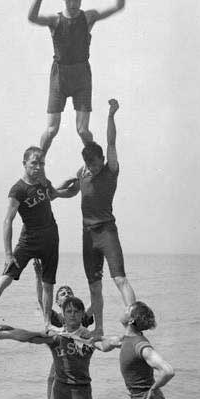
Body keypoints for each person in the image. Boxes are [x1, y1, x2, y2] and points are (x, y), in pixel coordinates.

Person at [28, 0, 126, 153]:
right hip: (60, 77)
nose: (73, 5)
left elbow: (118, 6)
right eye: (69, 0)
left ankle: (96, 164)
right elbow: (32, 18)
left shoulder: (87, 18)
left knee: (82, 130)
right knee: (51, 129)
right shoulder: (55, 21)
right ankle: (40, 163)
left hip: (81, 76)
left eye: (76, 0)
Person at [61, 98, 136, 336]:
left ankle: (133, 325)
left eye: (94, 163)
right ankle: (99, 328)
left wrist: (111, 115)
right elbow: (72, 190)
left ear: (102, 160)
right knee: (94, 286)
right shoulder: (82, 172)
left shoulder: (110, 169)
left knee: (120, 279)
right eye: (88, 164)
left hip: (106, 231)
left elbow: (111, 142)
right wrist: (54, 192)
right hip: (87, 234)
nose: (91, 167)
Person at [0, 147, 77, 327]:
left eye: (41, 164)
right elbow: (8, 220)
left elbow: (54, 193)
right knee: (6, 278)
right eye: (34, 163)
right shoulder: (18, 190)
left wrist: (73, 182)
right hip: (29, 240)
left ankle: (47, 324)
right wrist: (8, 254)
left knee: (48, 284)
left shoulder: (43, 181)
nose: (38, 167)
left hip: (50, 238)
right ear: (24, 164)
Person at [33, 259, 94, 399]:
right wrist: (40, 278)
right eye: (62, 293)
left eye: (69, 291)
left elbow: (96, 304)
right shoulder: (56, 320)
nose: (66, 293)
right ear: (58, 303)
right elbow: (42, 299)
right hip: (56, 377)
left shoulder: (80, 319)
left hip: (78, 379)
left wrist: (95, 278)